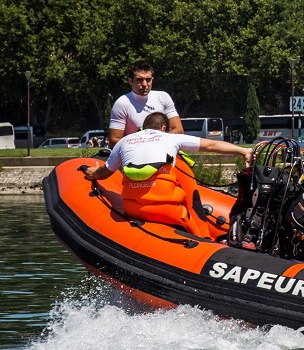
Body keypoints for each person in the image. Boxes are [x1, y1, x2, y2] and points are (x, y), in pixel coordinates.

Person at [85, 113, 253, 237]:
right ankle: (205, 241)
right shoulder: (170, 139)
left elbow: (105, 172)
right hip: (168, 211)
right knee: (193, 223)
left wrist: (91, 173)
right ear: (164, 128)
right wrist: (243, 151)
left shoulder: (125, 140)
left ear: (144, 127)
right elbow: (212, 145)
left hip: (133, 209)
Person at [108, 62, 184, 146]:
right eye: (140, 80)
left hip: (162, 150)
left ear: (152, 80)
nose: (144, 84)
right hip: (136, 154)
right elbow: (113, 140)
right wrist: (145, 144)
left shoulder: (163, 97)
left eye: (148, 80)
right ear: (130, 81)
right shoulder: (122, 103)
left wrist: (155, 141)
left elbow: (179, 130)